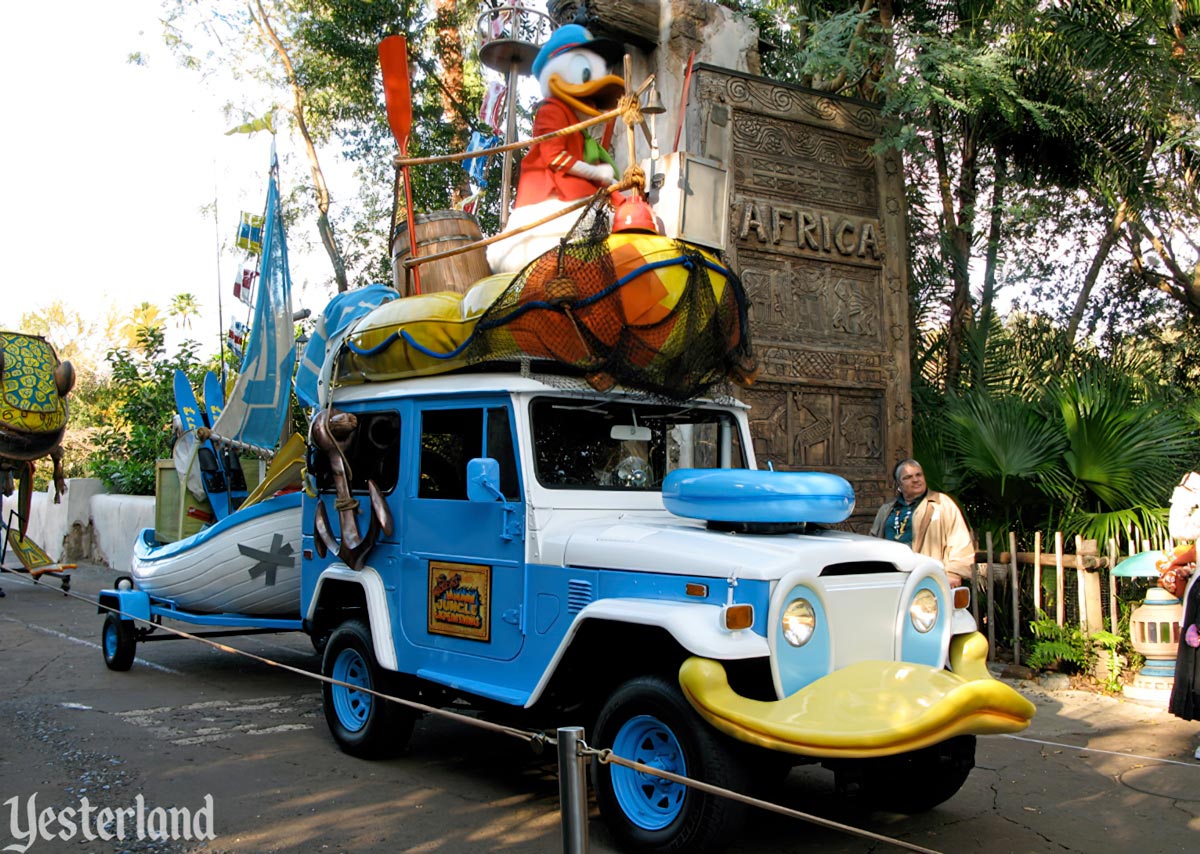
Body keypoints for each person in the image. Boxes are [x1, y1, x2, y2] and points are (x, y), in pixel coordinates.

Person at [870, 459, 975, 588]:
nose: (915, 480)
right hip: (890, 577)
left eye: (918, 475)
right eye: (908, 477)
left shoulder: (942, 504)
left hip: (927, 577)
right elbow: (873, 542)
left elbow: (960, 542)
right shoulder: (886, 509)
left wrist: (954, 572)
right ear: (898, 484)